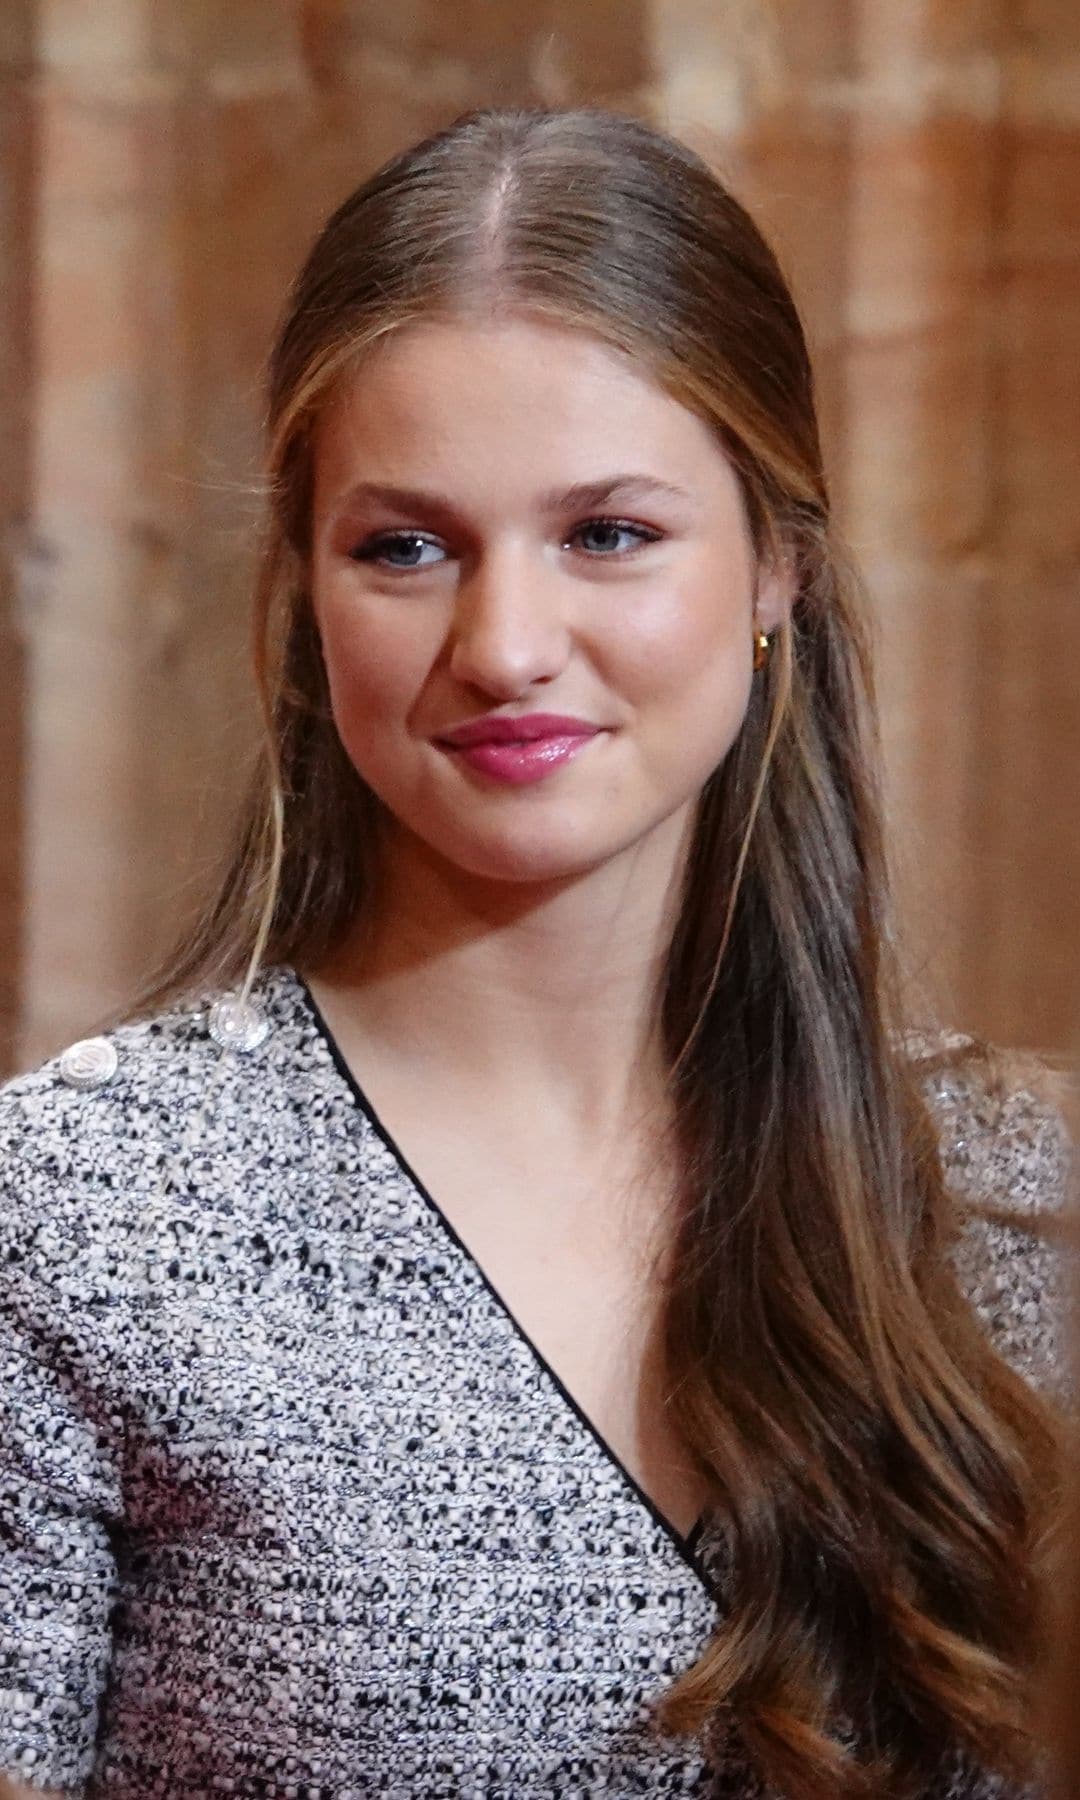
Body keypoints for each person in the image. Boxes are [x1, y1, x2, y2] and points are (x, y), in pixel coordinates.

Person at [0, 105, 1071, 1800]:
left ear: (776, 562)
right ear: (305, 588)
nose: (505, 645)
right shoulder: (81, 1209)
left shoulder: (1013, 1195)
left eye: (610, 534)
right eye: (404, 546)